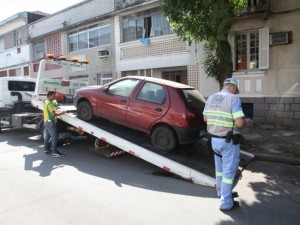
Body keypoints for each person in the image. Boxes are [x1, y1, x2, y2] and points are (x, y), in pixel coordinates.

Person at [203, 78, 252, 211]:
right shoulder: (233, 99)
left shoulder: (211, 98)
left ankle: (220, 192)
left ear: (224, 86)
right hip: (228, 142)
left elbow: (205, 118)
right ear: (234, 88)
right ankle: (226, 203)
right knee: (229, 174)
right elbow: (239, 123)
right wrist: (246, 120)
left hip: (214, 141)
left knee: (219, 171)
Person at [43, 91, 66, 158]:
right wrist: (61, 113)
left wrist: (56, 108)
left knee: (47, 137)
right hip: (50, 122)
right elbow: (53, 114)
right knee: (54, 137)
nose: (54, 97)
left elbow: (49, 110)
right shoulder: (50, 103)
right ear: (49, 96)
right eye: (53, 96)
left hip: (46, 121)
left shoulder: (46, 101)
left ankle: (46, 149)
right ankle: (54, 153)